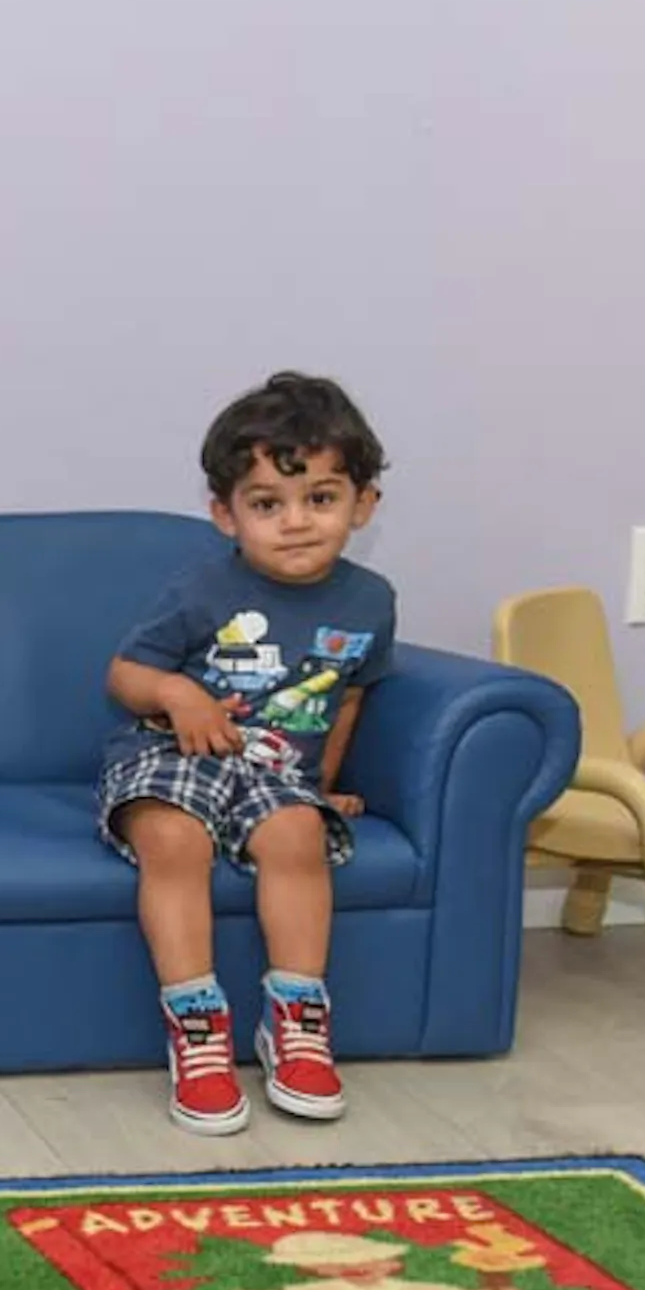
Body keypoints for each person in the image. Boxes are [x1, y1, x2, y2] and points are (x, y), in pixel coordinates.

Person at [102, 372, 395, 1136]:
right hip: (176, 752)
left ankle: (297, 1020)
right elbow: (125, 674)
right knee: (174, 837)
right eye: (267, 504)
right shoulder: (200, 588)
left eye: (321, 498)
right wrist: (178, 693)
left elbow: (349, 697)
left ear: (363, 504)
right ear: (226, 515)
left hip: (276, 771)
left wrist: (321, 786)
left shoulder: (371, 601)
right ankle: (198, 1027)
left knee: (299, 834)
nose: (296, 522)